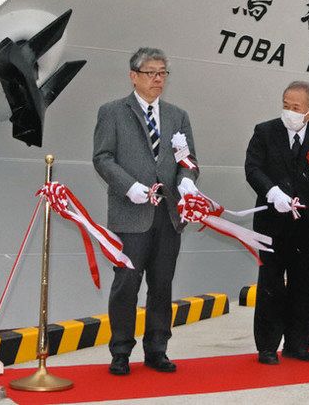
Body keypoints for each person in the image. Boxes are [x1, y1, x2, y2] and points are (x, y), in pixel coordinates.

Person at [92, 47, 199, 376]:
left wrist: (187, 183)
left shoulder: (177, 115)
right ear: (133, 76)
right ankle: (121, 350)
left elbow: (188, 160)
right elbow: (103, 157)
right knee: (126, 283)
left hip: (168, 215)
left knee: (162, 284)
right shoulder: (112, 112)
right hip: (130, 214)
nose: (158, 79)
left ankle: (157, 348)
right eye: (151, 72)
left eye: (163, 72)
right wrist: (129, 186)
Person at [244, 80, 309, 365]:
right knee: (271, 283)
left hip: (305, 225)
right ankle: (266, 346)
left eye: (296, 107)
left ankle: (297, 345)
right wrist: (272, 192)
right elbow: (252, 167)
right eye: (286, 105)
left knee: (303, 285)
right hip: (271, 223)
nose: (289, 111)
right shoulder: (265, 132)